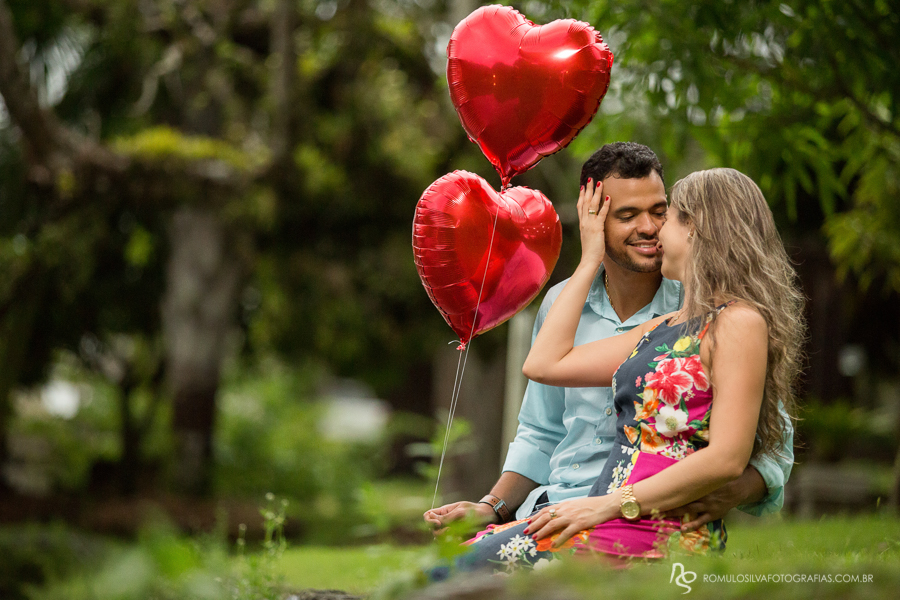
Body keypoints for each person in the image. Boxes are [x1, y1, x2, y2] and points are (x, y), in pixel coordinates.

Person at [438, 166, 804, 573]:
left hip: (629, 517)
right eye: (627, 215)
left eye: (665, 213)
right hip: (575, 506)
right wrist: (589, 258)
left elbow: (743, 452)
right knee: (448, 568)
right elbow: (541, 371)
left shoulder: (734, 323)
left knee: (460, 575)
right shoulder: (664, 326)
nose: (653, 230)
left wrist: (719, 491)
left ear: (698, 229)